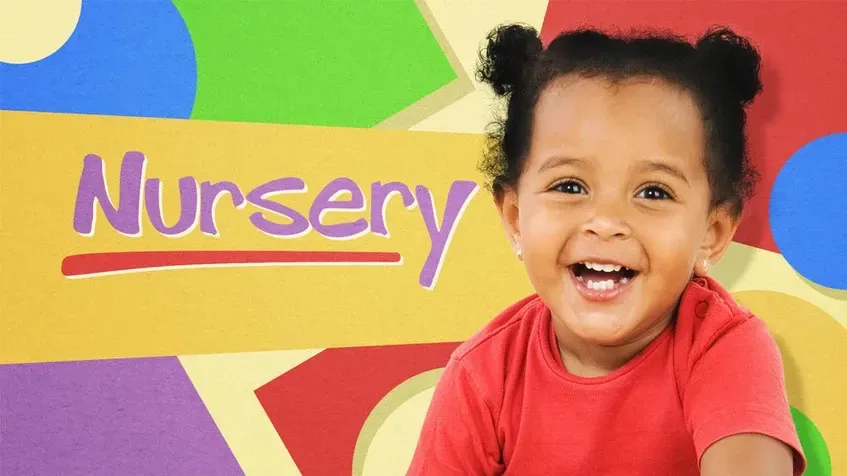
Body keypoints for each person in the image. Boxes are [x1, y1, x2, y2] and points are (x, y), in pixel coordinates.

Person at [407, 23, 806, 476]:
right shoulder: (482, 376)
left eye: (653, 193)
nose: (607, 222)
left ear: (711, 232)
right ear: (516, 218)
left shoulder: (723, 348)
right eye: (570, 186)